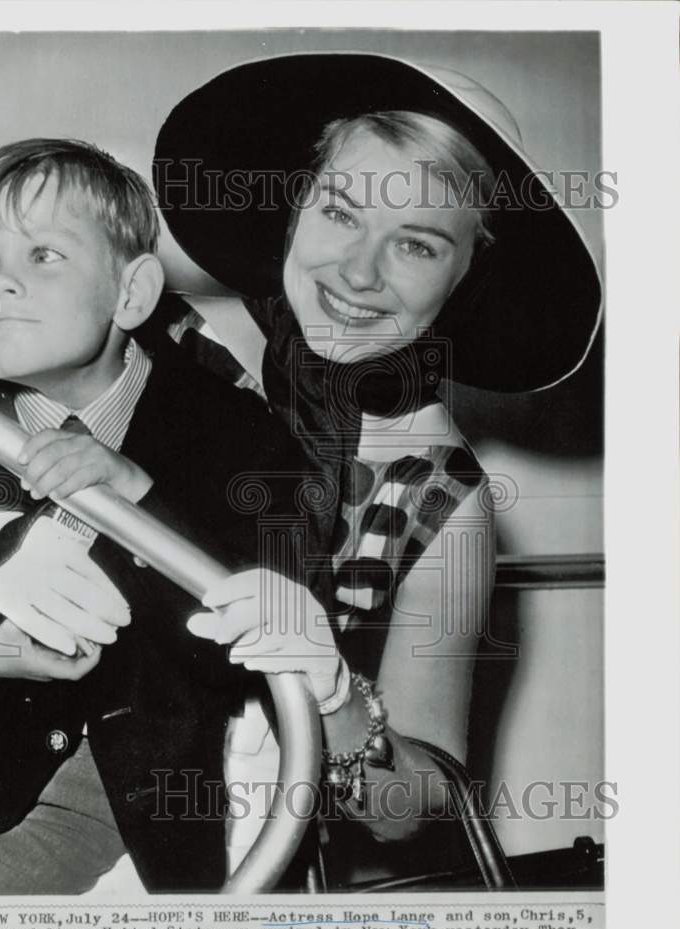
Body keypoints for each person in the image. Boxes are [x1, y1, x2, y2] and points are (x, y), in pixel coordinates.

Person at [152, 53, 603, 874]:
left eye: (418, 245)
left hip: (235, 857)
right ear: (296, 200)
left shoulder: (437, 491)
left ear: (467, 276)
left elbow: (412, 810)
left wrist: (333, 699)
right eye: (341, 212)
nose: (359, 272)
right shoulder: (160, 337)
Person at [0, 137, 329, 893]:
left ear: (130, 295)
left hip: (121, 774)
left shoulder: (232, 428)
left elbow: (261, 611)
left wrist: (137, 494)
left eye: (42, 257)